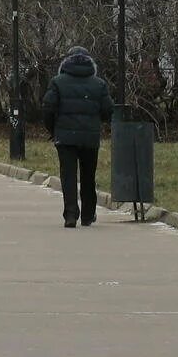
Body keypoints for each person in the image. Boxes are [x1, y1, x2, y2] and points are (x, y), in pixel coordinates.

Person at [42, 46, 114, 228]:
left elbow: (48, 109)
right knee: (89, 175)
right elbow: (108, 110)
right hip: (90, 137)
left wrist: (53, 130)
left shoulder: (57, 82)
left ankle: (71, 214)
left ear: (66, 63)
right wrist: (96, 122)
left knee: (68, 175)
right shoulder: (99, 84)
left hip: (65, 138)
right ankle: (88, 214)